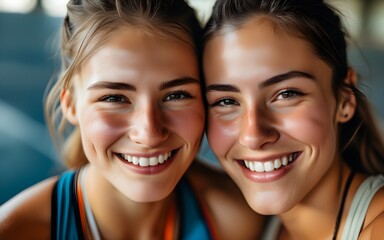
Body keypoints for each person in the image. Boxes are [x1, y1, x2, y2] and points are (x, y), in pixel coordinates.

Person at [0, 0, 266, 239]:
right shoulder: (16, 231)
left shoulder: (236, 217)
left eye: (176, 95)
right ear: (70, 103)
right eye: (115, 98)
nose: (149, 133)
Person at [202, 0, 384, 239]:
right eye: (226, 101)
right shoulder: (254, 226)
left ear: (344, 99)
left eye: (286, 94)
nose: (253, 136)